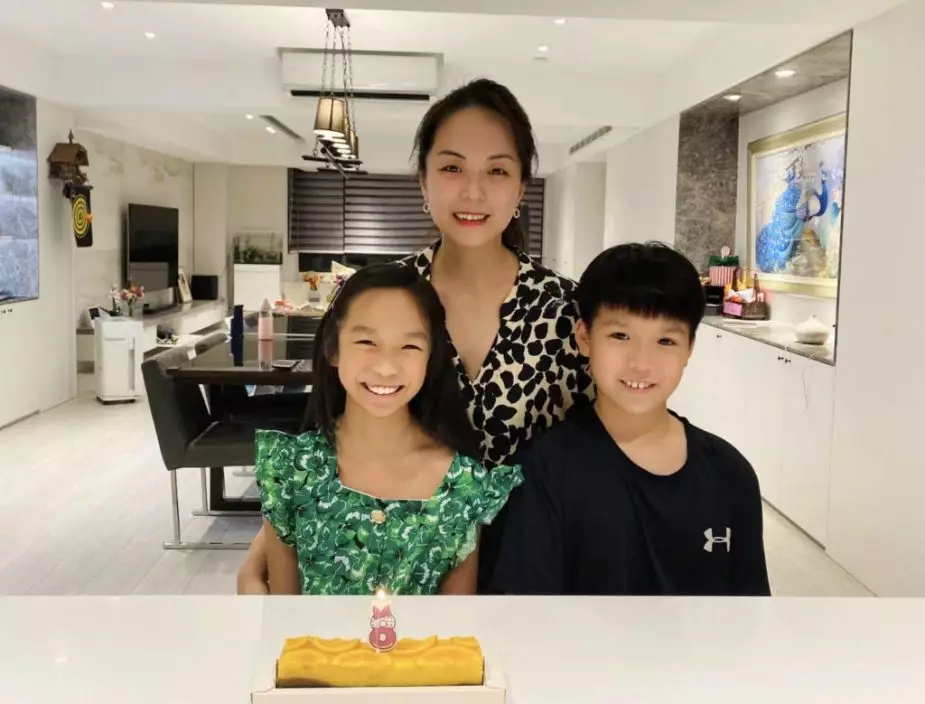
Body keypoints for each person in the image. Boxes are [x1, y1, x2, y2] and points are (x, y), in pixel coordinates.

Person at [237, 78, 592, 594]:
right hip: (404, 581)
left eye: (496, 170)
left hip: (535, 578)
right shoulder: (386, 295)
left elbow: (598, 449)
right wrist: (268, 544)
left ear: (521, 187)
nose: (473, 191)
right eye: (452, 167)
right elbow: (332, 436)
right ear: (423, 183)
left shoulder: (566, 311)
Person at [489, 243, 771, 596]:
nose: (641, 363)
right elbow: (523, 616)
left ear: (689, 348)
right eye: (620, 336)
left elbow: (751, 613)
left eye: (665, 341)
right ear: (584, 337)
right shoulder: (542, 473)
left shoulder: (729, 474)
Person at [255, 263, 522, 595]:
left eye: (410, 346)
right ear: (333, 349)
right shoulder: (289, 468)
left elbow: (456, 620)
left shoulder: (464, 484)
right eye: (367, 341)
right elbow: (284, 613)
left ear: (430, 359)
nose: (386, 367)